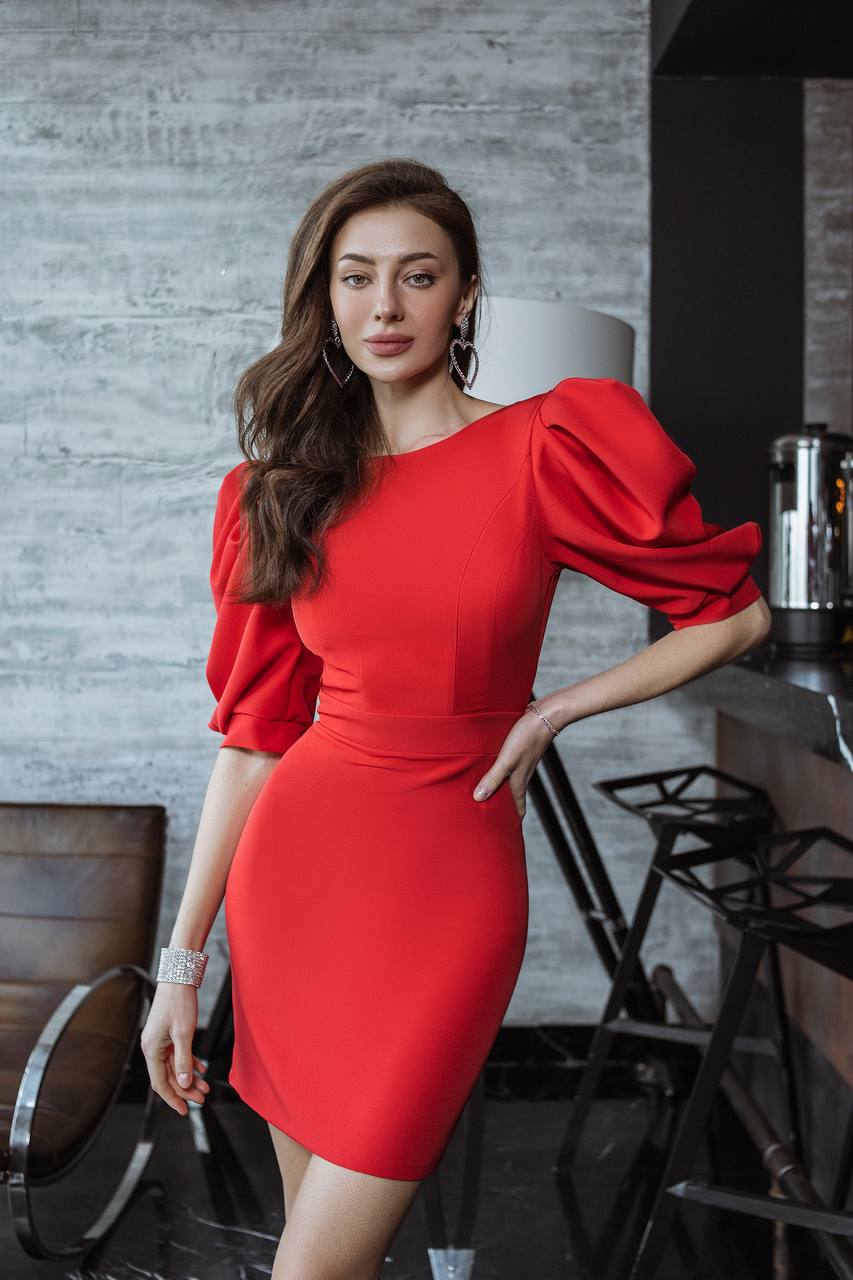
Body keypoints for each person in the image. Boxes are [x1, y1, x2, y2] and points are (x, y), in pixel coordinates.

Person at [140, 156, 771, 1279]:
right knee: (324, 1254)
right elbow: (251, 743)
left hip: (452, 885)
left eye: (417, 275)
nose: (384, 306)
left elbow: (732, 616)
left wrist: (556, 710)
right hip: (297, 878)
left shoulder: (542, 448)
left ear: (465, 293)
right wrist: (181, 965)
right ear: (326, 297)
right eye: (356, 277)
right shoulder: (282, 490)